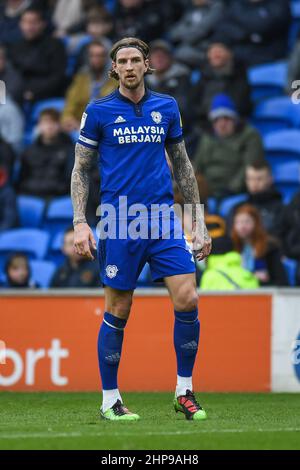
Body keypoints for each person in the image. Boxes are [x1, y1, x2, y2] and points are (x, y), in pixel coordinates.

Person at [71, 37, 212, 421]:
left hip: (164, 219)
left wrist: (198, 222)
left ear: (147, 64)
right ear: (113, 68)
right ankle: (109, 400)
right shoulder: (98, 110)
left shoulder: (166, 107)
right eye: (123, 61)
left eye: (136, 59)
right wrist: (81, 222)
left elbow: (182, 165)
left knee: (188, 300)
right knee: (119, 309)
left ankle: (184, 391)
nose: (130, 66)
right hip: (119, 220)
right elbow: (81, 168)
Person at [193, 94, 265, 198]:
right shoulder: (207, 138)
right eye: (217, 119)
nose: (222, 124)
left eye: (226, 118)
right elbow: (198, 168)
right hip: (207, 189)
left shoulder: (250, 136)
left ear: (235, 119)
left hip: (235, 191)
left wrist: (232, 188)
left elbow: (250, 167)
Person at [8, 7, 67, 103]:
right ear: (20, 24)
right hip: (18, 94)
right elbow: (12, 75)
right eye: (25, 22)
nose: (28, 27)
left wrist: (34, 92)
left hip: (47, 96)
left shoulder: (55, 45)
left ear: (42, 24)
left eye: (33, 23)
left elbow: (57, 77)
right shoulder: (15, 47)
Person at [191, 36, 252, 126]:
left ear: (230, 54)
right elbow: (193, 103)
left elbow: (240, 104)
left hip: (230, 124)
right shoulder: (204, 76)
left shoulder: (238, 75)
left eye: (219, 51)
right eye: (212, 51)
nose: (216, 55)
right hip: (203, 123)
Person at [62, 40, 117, 133]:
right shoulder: (81, 77)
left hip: (107, 127)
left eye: (100, 55)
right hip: (79, 126)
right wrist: (68, 119)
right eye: (92, 55)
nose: (96, 59)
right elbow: (71, 102)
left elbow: (117, 109)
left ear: (108, 58)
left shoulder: (117, 79)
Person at [18, 108, 74, 198]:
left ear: (59, 126)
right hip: (31, 195)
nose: (49, 126)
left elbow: (69, 181)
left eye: (53, 122)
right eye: (45, 123)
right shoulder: (29, 151)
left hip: (58, 197)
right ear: (39, 126)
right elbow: (22, 179)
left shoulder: (69, 151)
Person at [217, 0, 290, 66]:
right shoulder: (238, 3)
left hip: (267, 57)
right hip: (237, 53)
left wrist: (238, 30)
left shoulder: (278, 3)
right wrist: (246, 34)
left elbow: (261, 26)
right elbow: (223, 25)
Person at [231, 204, 287, 287]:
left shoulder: (270, 247)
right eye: (238, 222)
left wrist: (261, 279)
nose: (242, 226)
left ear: (256, 223)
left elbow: (281, 281)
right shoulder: (230, 246)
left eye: (247, 221)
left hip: (263, 291)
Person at [168, 0, 224, 68]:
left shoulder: (216, 7)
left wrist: (185, 35)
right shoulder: (191, 10)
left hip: (207, 48)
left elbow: (203, 29)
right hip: (189, 46)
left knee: (179, 54)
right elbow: (174, 33)